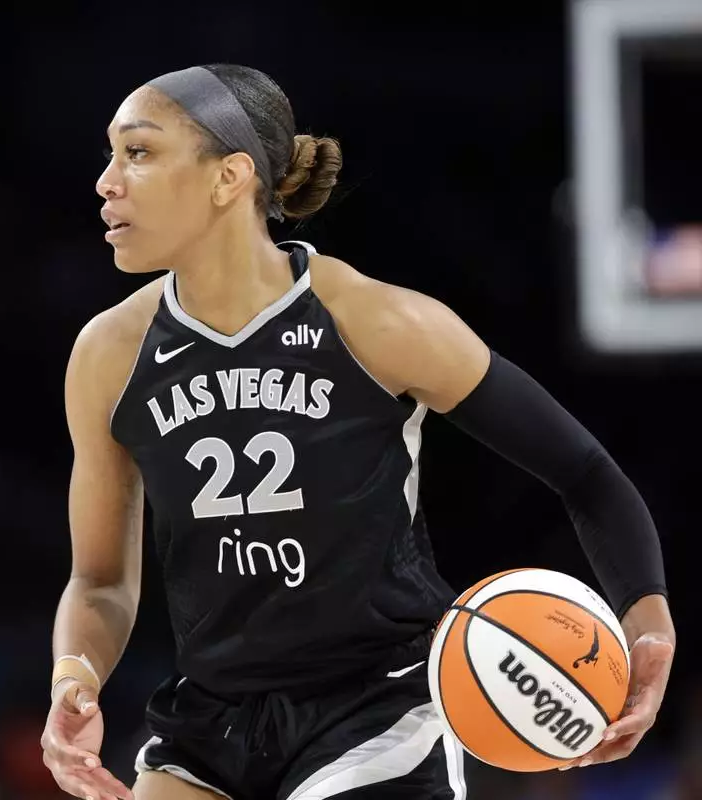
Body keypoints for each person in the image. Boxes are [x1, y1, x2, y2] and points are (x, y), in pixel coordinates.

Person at [40, 63, 675, 800]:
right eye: (112, 155)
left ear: (229, 176)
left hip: (376, 706)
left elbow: (585, 473)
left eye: (138, 152)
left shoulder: (377, 322)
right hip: (213, 717)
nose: (106, 182)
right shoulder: (109, 354)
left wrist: (648, 625)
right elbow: (100, 581)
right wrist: (74, 678)